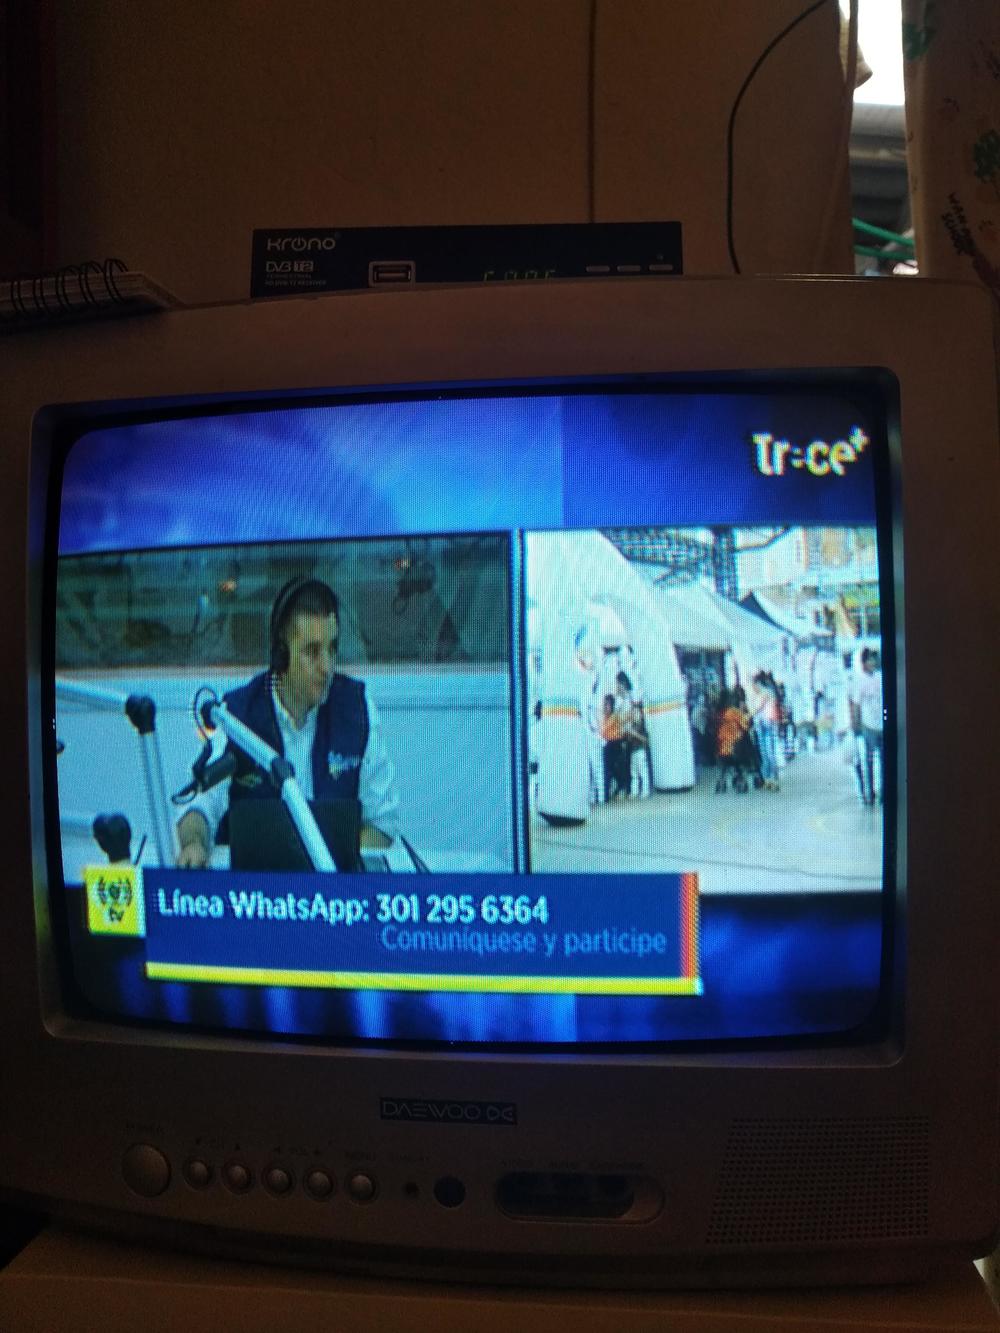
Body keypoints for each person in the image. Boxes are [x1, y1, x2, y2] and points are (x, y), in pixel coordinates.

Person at [176, 576, 399, 867]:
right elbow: (197, 809)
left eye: (332, 648)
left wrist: (330, 865)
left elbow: (382, 824)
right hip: (257, 888)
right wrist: (194, 844)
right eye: (312, 652)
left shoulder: (357, 709)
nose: (327, 667)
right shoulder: (238, 716)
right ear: (281, 654)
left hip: (334, 886)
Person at [848, 646, 883, 806]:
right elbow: (856, 704)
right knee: (869, 761)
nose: (872, 663)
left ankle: (883, 792)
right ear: (863, 663)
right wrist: (856, 724)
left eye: (873, 660)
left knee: (883, 760)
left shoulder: (880, 678)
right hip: (868, 726)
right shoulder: (859, 681)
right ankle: (870, 793)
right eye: (869, 660)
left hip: (882, 725)